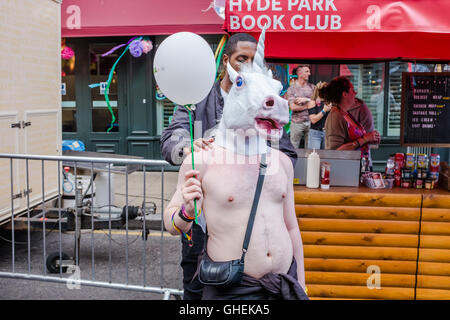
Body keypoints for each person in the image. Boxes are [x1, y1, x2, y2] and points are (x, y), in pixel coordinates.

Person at [163, 27, 307, 299]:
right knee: (195, 290)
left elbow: (286, 150)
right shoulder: (199, 99)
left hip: (273, 269)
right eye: (242, 59)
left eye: (253, 60)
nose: (248, 66)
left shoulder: (266, 105)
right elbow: (172, 139)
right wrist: (191, 150)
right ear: (226, 62)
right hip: (205, 236)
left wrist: (260, 164)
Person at [319, 77, 380, 165]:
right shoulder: (335, 116)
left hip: (357, 167)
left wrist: (371, 138)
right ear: (345, 94)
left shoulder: (345, 113)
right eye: (352, 90)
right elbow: (335, 153)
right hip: (346, 170)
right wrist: (364, 139)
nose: (355, 93)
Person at [285, 64, 315, 149]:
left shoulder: (312, 87)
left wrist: (306, 99)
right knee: (293, 148)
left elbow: (318, 102)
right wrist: (309, 105)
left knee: (310, 149)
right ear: (299, 73)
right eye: (307, 71)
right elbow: (293, 107)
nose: (309, 74)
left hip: (311, 122)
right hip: (297, 123)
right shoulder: (292, 89)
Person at [306, 81, 331, 149]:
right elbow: (313, 120)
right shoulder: (312, 102)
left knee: (326, 157)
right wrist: (324, 110)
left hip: (327, 133)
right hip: (315, 132)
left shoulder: (329, 102)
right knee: (314, 156)